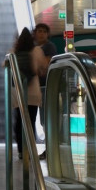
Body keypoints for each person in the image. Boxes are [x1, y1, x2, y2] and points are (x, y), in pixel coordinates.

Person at [11, 28, 46, 160]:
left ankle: (21, 150)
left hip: (17, 92)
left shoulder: (13, 52)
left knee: (19, 121)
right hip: (33, 92)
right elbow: (43, 67)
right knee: (30, 122)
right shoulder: (37, 50)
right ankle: (29, 150)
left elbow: (5, 65)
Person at [33, 23, 56, 159]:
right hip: (37, 86)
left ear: (47, 34)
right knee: (42, 119)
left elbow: (45, 67)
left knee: (45, 118)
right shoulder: (35, 47)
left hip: (45, 86)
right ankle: (49, 149)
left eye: (43, 31)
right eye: (38, 31)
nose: (41, 34)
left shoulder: (49, 47)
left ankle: (50, 149)